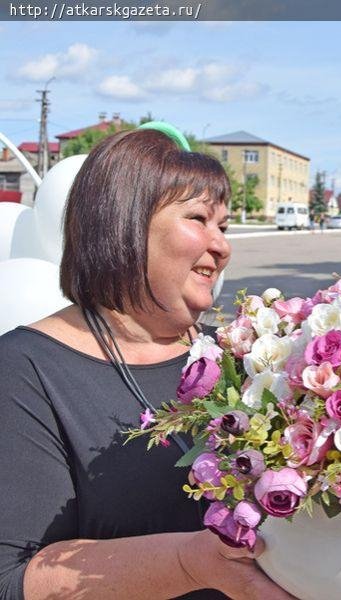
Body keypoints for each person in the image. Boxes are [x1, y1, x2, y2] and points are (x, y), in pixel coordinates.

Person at [0, 129, 292, 600]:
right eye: (199, 219)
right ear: (124, 226)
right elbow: (11, 578)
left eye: (225, 226)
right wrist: (191, 565)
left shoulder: (243, 359)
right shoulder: (24, 370)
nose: (222, 247)